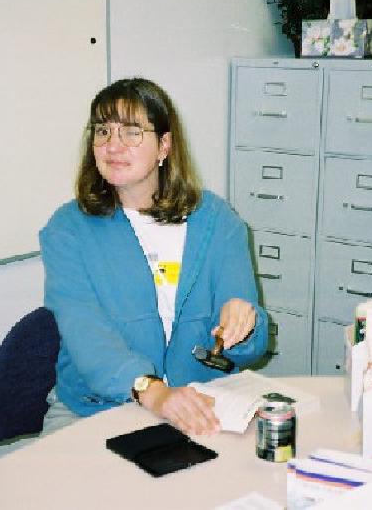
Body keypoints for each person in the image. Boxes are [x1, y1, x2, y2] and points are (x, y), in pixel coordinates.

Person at [39, 77, 268, 436]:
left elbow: (251, 343)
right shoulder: (69, 229)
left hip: (200, 400)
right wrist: (153, 391)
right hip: (96, 406)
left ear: (164, 145)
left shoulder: (217, 220)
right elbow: (87, 336)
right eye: (102, 131)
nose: (113, 145)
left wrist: (245, 324)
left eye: (131, 132)